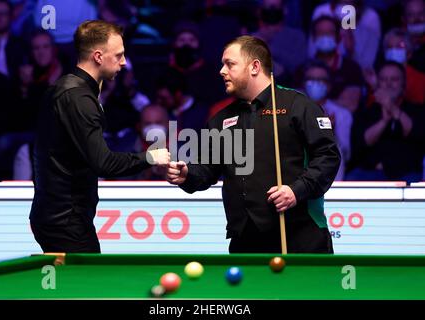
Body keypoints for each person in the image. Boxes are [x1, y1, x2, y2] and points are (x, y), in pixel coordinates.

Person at [167, 36, 340, 254]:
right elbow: (207, 171)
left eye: (230, 64)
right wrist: (186, 175)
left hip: (300, 234)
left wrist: (296, 190)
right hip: (245, 240)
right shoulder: (221, 120)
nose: (222, 71)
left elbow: (328, 157)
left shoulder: (297, 105)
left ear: (255, 67)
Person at [29, 20, 170, 253]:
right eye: (118, 55)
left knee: (73, 287)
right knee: (87, 288)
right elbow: (103, 163)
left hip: (58, 216)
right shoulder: (79, 98)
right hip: (65, 221)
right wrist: (151, 157)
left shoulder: (63, 88)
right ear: (97, 56)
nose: (124, 62)